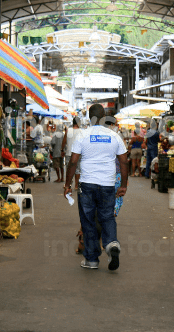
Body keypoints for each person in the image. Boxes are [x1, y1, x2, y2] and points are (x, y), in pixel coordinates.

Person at [65, 104, 128, 270]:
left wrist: (67, 185)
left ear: (90, 119)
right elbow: (123, 161)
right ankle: (111, 244)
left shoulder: (83, 135)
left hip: (87, 184)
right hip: (107, 184)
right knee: (107, 217)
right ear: (104, 116)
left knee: (88, 220)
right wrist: (123, 185)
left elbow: (73, 161)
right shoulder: (114, 136)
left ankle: (92, 259)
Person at [65, 118, 83, 190]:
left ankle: (68, 185)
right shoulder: (82, 132)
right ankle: (76, 185)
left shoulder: (68, 130)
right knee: (78, 169)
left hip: (69, 153)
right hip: (79, 153)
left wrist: (62, 150)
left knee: (68, 169)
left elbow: (64, 141)